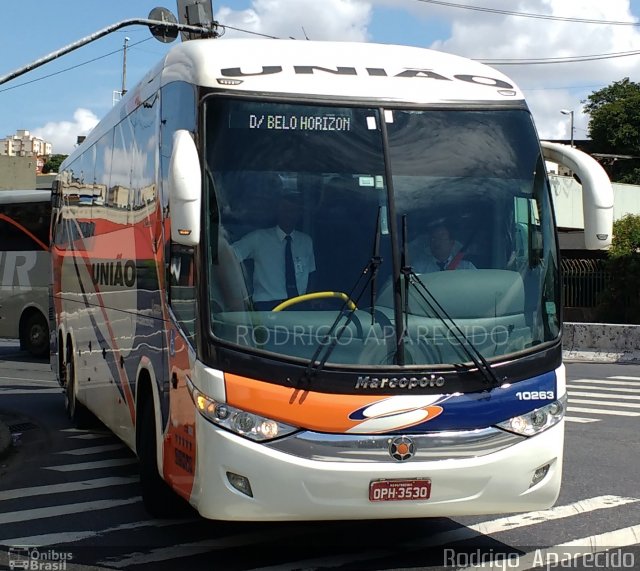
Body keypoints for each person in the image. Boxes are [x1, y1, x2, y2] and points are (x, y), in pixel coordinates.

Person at [232, 193, 316, 310]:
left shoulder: (306, 241)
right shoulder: (258, 238)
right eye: (285, 210)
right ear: (278, 212)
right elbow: (229, 256)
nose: (289, 215)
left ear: (299, 214)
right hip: (267, 304)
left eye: (293, 211)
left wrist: (310, 300)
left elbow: (311, 273)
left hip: (299, 303)